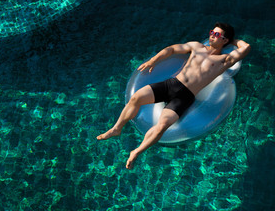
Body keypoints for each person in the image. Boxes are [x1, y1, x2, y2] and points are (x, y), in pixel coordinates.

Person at [97, 22, 251, 170]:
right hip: (172, 85)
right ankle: (117, 129)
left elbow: (246, 47)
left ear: (225, 39)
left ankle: (136, 152)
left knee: (162, 126)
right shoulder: (196, 47)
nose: (212, 35)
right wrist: (153, 60)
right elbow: (171, 50)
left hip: (185, 96)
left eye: (217, 34)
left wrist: (232, 41)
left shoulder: (224, 61)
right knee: (136, 97)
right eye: (212, 32)